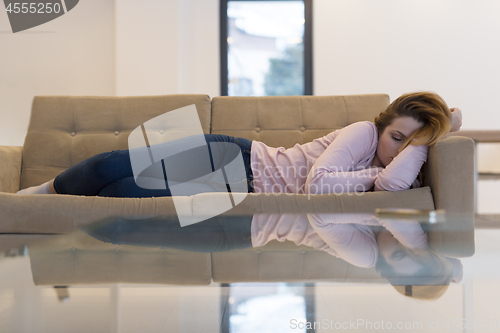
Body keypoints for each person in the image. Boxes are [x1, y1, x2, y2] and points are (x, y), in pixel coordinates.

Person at [17, 91, 464, 296]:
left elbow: (389, 185)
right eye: (397, 137)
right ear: (383, 127)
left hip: (243, 223)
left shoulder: (374, 250)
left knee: (118, 201)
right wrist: (373, 175)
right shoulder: (364, 133)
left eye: (412, 145)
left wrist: (423, 142)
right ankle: (27, 202)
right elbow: (317, 188)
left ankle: (37, 229)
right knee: (109, 164)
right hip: (238, 163)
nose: (398, 150)